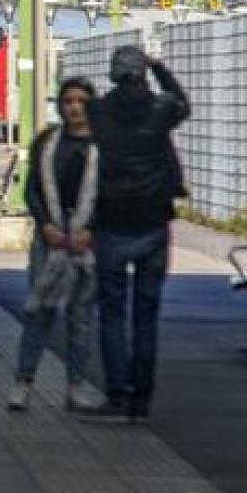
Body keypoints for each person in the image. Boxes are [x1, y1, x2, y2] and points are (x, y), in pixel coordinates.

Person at [77, 44, 190, 424]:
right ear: (142, 73)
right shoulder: (160, 112)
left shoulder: (97, 112)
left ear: (112, 73)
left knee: (111, 312)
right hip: (154, 223)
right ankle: (142, 401)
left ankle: (117, 395)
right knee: (146, 315)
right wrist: (159, 67)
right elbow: (181, 102)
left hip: (111, 223)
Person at [9, 78, 101, 413]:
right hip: (49, 236)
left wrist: (92, 230)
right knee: (39, 309)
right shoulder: (47, 143)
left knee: (80, 316)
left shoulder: (103, 146)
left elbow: (109, 193)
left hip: (87, 239)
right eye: (69, 101)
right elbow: (32, 188)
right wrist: (45, 224)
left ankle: (75, 386)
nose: (75, 107)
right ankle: (23, 380)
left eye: (81, 101)